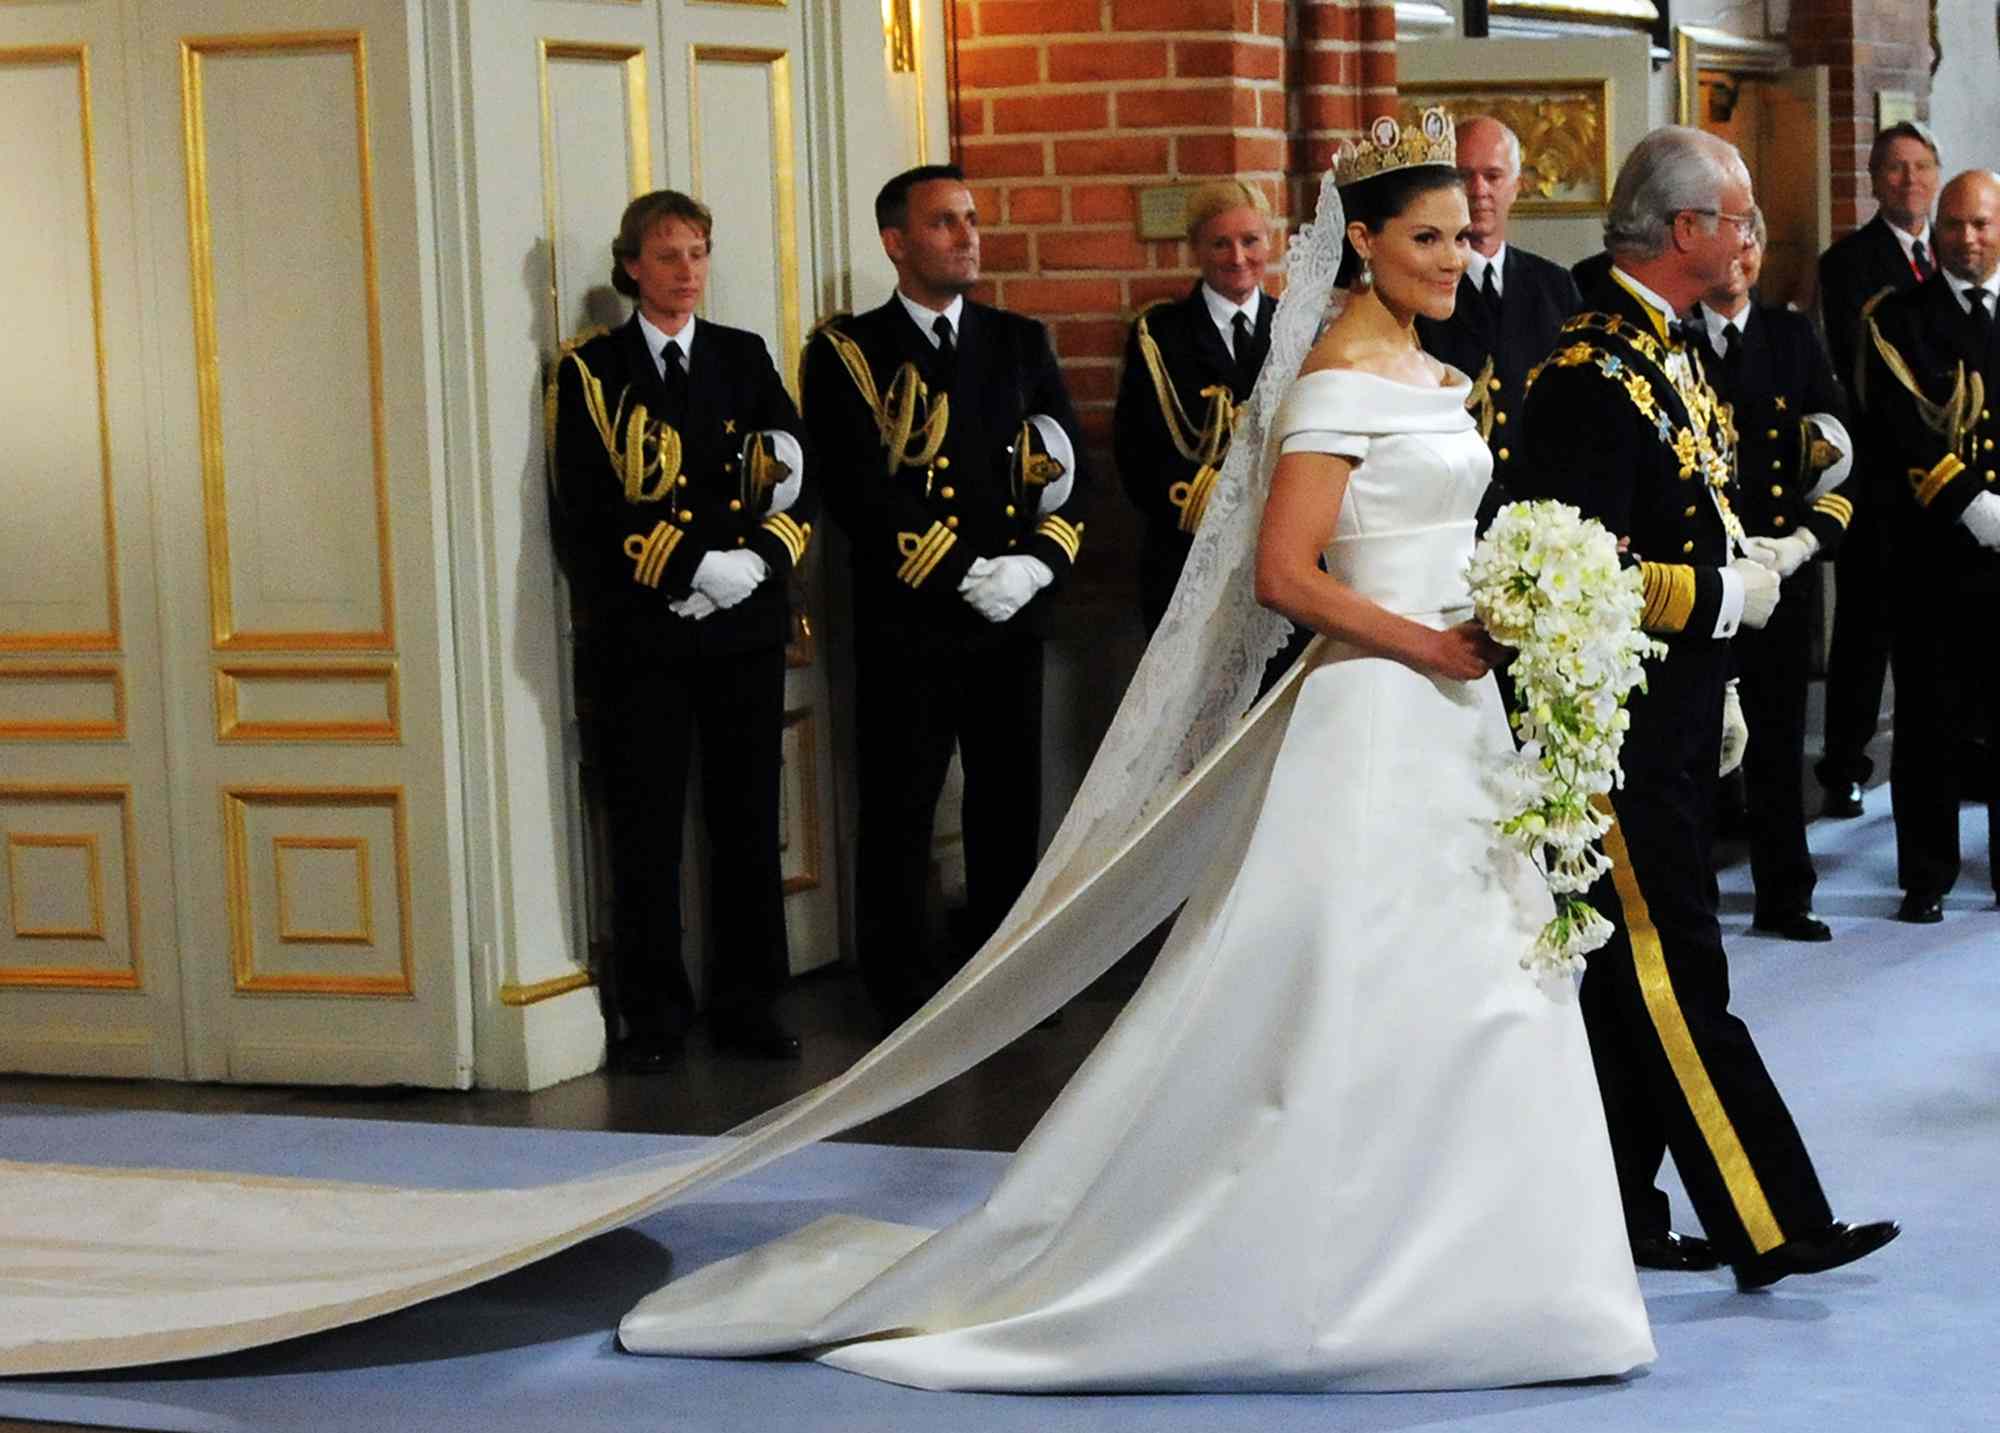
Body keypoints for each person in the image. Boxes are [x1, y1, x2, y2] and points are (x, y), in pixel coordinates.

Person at [615, 108, 1654, 1390]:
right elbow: (1283, 574)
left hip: (1458, 708)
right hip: (1376, 703)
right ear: (1363, 244)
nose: (1453, 256)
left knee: (1492, 979)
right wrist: (1424, 642)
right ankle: (1326, 1262)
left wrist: (1511, 603)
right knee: (1347, 979)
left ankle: (1500, 1270)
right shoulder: (1332, 377)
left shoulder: (1442, 379)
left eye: (1461, 233)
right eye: (1425, 237)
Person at [1512, 126, 1898, 1288]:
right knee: (1676, 971)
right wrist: (1715, 601)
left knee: (1637, 988)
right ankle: (1769, 1220)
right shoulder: (1591, 372)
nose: (1745, 243)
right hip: (1612, 733)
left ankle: (1620, 1211)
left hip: (1672, 712)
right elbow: (1565, 569)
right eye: (1734, 222)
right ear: (1685, 232)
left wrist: (1720, 649)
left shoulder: (1661, 351)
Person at [801, 164, 1087, 1029]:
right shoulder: (849, 351)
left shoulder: (1018, 340)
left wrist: (1037, 563)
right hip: (910, 618)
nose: (967, 236)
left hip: (1011, 614)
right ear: (896, 242)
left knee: (1008, 801)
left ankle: (1003, 974)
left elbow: (1064, 464)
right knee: (900, 806)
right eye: (944, 224)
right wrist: (964, 568)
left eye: (970, 219)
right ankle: (898, 992)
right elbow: (856, 485)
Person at [547, 190, 814, 1069]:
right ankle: (654, 1016)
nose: (687, 271)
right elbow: (585, 506)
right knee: (646, 830)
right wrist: (689, 568)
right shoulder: (594, 370)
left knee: (747, 821)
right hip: (646, 635)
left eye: (698, 252)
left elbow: (791, 473)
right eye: (667, 256)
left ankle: (752, 1004)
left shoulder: (743, 356)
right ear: (631, 267)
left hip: (743, 627)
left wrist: (754, 563)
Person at [1697, 211, 1855, 942]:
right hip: (1698, 574)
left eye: (1755, 242)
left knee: (1779, 736)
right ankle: (1692, 889)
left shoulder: (1792, 336)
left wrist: (1800, 543)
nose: (1742, 257)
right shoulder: (1673, 337)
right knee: (1694, 739)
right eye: (1732, 240)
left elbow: (1842, 453)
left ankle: (1785, 892)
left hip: (1777, 572)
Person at [1859, 168, 2000, 924]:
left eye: (1981, 224)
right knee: (1927, 724)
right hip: (1934, 555)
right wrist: (1974, 505)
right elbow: (1896, 426)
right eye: (1953, 225)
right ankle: (1927, 873)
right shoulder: (1898, 319)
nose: (1966, 239)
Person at [1815, 121, 1943, 817]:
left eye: (1921, 167)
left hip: (1947, 482)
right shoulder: (1849, 263)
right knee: (1866, 634)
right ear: (1872, 179)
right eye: (1895, 169)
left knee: (1943, 634)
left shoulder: (1954, 257)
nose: (1909, 180)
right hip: (1882, 482)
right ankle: (1844, 765)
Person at [1115, 180, 1277, 634]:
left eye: (1250, 241)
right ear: (1196, 249)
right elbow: (1136, 452)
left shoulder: (1298, 327)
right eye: (1220, 244)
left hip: (1280, 553)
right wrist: (1221, 511)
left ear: (1270, 240)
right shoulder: (1158, 334)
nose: (1238, 257)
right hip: (1188, 555)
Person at [1413, 114, 1581, 505]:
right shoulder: (1421, 289)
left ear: (1517, 186)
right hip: (1452, 503)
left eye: (1493, 176)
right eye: (1464, 176)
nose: (1479, 190)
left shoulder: (1556, 286)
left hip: (1544, 508)